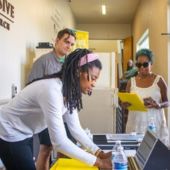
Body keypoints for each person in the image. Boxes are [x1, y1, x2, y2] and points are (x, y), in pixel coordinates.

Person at [0, 48, 112, 170]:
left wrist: (98, 152)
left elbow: (76, 128)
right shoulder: (52, 90)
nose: (94, 83)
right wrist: (99, 163)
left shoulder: (69, 92)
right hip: (9, 129)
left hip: (24, 130)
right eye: (93, 77)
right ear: (77, 71)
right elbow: (59, 142)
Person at [27, 28, 76, 170]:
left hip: (63, 113)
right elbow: (31, 87)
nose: (69, 46)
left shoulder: (70, 65)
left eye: (72, 44)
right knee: (46, 149)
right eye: (66, 42)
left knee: (66, 150)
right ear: (56, 41)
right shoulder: (42, 62)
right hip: (45, 115)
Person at [124, 48, 169, 145]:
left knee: (155, 155)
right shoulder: (131, 82)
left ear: (151, 64)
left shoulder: (159, 80)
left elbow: (167, 102)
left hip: (154, 125)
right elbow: (125, 104)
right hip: (135, 123)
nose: (142, 68)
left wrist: (159, 105)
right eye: (139, 65)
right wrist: (125, 104)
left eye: (145, 64)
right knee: (134, 152)